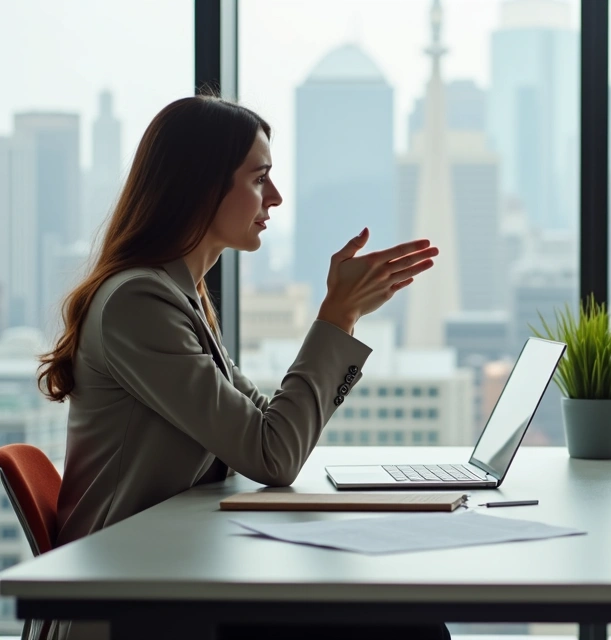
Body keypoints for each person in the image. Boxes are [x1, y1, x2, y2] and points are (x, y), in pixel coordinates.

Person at [37, 96, 449, 640]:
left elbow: (267, 426)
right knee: (410, 626)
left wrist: (340, 324)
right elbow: (273, 456)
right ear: (201, 186)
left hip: (178, 576)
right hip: (136, 602)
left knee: (403, 615)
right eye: (260, 179)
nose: (274, 198)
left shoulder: (179, 298)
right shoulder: (140, 303)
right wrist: (337, 314)